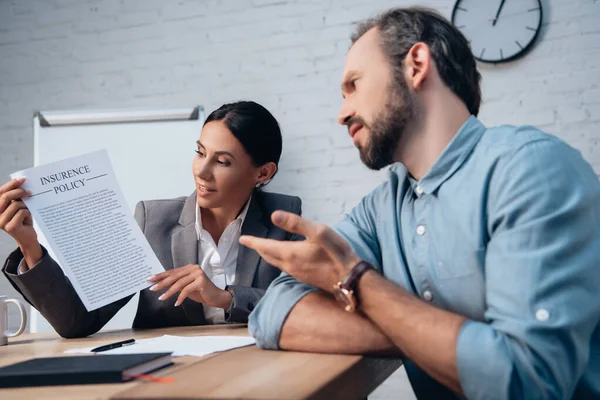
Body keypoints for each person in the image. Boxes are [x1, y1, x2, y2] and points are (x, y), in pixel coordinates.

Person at [239, 7, 600, 400]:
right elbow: (272, 313)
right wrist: (426, 337)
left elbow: (528, 383)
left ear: (416, 64)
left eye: (354, 85)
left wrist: (357, 279)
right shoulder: (381, 208)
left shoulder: (531, 169)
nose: (342, 114)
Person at [0, 100, 302, 338]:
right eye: (200, 153)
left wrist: (224, 298)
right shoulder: (153, 220)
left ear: (263, 173)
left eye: (222, 161)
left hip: (257, 370)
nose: (201, 170)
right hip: (173, 378)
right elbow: (77, 321)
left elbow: (304, 307)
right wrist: (30, 246)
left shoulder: (284, 221)